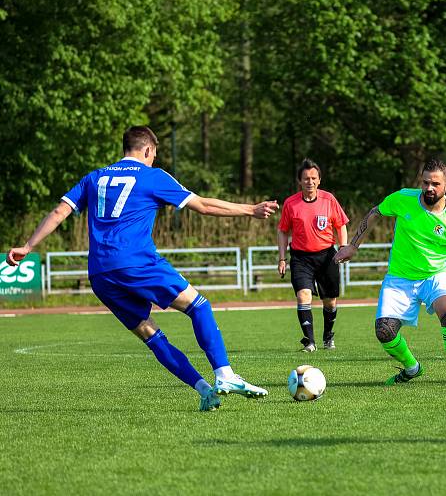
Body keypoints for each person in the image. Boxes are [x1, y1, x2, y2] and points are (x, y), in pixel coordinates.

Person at [6, 126, 278, 412]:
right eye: (154, 155)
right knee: (198, 306)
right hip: (136, 262)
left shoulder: (95, 177)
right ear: (148, 150)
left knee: (151, 334)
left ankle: (204, 391)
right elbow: (203, 205)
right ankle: (225, 375)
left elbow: (59, 211)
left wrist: (27, 245)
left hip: (100, 274)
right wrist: (250, 209)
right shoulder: (153, 176)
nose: (154, 160)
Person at [333, 159, 446, 386]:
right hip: (400, 277)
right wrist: (353, 245)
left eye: (435, 184)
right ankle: (412, 368)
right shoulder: (403, 198)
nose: (429, 188)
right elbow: (375, 212)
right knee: (384, 331)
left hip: (436, 274)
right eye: (425, 182)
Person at [278, 158, 349, 352]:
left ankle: (328, 336)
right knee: (303, 296)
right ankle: (309, 342)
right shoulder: (290, 203)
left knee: (330, 301)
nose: (310, 181)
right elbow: (283, 230)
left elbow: (340, 225)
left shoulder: (329, 199)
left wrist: (343, 247)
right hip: (301, 257)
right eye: (306, 178)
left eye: (313, 178)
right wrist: (282, 258)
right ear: (299, 181)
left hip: (327, 256)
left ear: (319, 180)